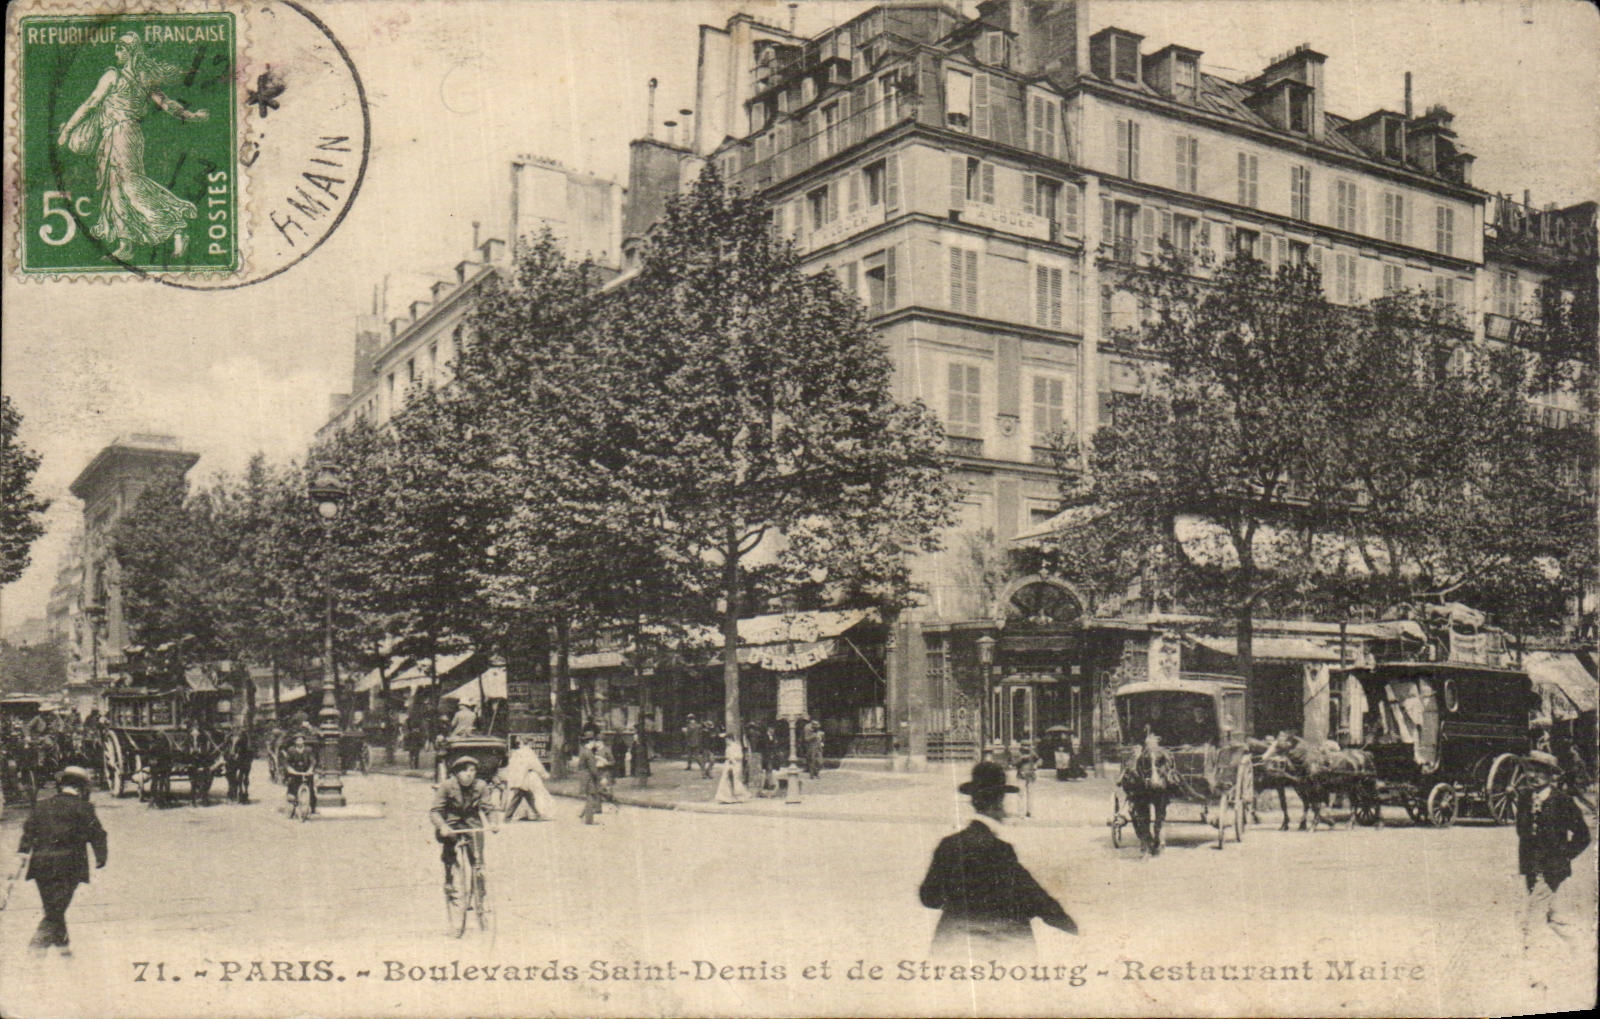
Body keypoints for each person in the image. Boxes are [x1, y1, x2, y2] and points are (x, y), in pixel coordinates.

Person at [55, 32, 210, 261]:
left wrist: (68, 129)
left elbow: (90, 104)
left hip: (121, 134)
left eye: (121, 49)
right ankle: (126, 243)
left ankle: (176, 225)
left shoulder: (112, 75)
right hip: (122, 135)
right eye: (117, 49)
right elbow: (166, 104)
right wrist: (190, 115)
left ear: (131, 52)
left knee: (130, 185)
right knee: (114, 188)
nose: (116, 54)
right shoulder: (143, 76)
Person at [919, 761, 1076, 959]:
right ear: (998, 802)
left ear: (974, 801)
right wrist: (1069, 925)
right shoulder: (1000, 849)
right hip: (996, 946)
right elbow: (1033, 896)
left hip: (952, 942)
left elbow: (929, 897)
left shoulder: (948, 844)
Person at [1515, 749, 1590, 978]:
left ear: (1551, 776)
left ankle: (1533, 975)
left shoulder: (1562, 801)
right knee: (1553, 917)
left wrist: (1563, 856)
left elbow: (1583, 836)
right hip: (1531, 868)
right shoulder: (1526, 798)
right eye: (1530, 770)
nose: (1533, 776)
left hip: (1551, 870)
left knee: (1531, 921)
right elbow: (1522, 831)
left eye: (1539, 772)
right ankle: (1582, 948)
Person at [17, 766, 108, 954]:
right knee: (56, 909)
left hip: (40, 865)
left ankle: (62, 946)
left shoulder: (41, 805)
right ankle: (37, 945)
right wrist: (101, 857)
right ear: (82, 788)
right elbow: (97, 834)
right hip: (70, 866)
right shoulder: (84, 807)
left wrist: (23, 853)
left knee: (52, 905)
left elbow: (29, 831)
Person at [430, 757, 494, 905]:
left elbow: (488, 808)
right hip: (451, 823)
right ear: (457, 773)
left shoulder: (481, 785)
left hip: (472, 823)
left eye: (472, 770)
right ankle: (449, 879)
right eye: (465, 771)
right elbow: (435, 811)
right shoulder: (447, 786)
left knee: (478, 859)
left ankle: (480, 895)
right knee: (449, 847)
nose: (469, 774)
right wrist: (442, 826)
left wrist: (493, 823)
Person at [502, 736, 553, 821]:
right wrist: (544, 774)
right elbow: (536, 765)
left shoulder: (515, 753)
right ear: (529, 743)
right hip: (525, 778)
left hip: (517, 778)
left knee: (528, 796)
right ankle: (507, 817)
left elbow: (511, 767)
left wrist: (511, 778)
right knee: (519, 797)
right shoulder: (529, 753)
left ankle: (536, 814)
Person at [281, 733, 317, 815]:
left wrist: (311, 769)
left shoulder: (308, 750)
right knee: (292, 787)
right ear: (295, 742)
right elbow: (286, 762)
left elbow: (312, 760)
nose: (299, 742)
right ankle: (292, 803)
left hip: (306, 771)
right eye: (297, 740)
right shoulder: (291, 750)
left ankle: (312, 806)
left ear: (304, 741)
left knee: (310, 788)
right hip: (295, 772)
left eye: (301, 740)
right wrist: (290, 769)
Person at [578, 727, 606, 825]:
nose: (595, 743)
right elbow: (593, 768)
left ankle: (582, 815)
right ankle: (589, 820)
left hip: (584, 776)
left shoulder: (583, 751)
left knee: (590, 796)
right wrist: (599, 778)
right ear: (590, 742)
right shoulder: (588, 753)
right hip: (588, 777)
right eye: (593, 741)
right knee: (591, 797)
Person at [714, 730, 748, 804]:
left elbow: (739, 756)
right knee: (726, 780)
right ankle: (727, 797)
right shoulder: (729, 747)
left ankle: (737, 796)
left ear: (730, 739)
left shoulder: (736, 746)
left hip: (734, 765)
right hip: (728, 764)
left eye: (727, 739)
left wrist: (732, 759)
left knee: (734, 780)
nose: (726, 741)